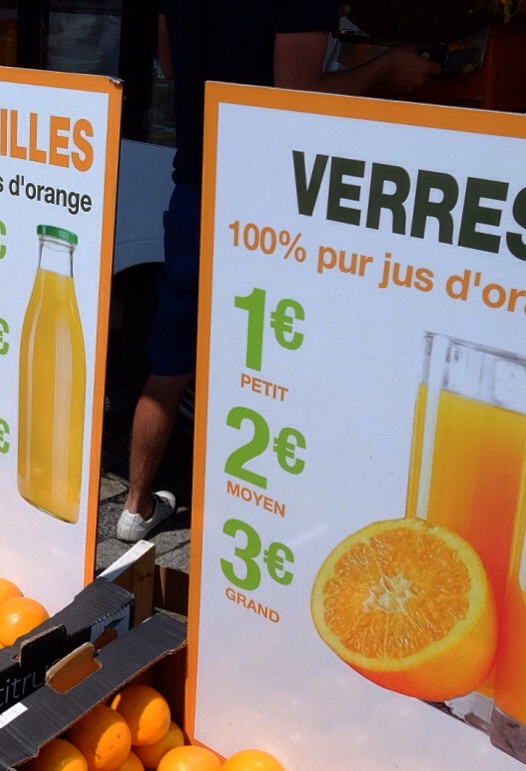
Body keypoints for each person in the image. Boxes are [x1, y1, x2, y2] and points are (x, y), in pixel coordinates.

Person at [115, 3, 439, 543]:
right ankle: (287, 527)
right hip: (275, 200)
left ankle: (134, 508)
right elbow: (296, 92)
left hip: (197, 189)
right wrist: (385, 70)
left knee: (170, 359)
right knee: (283, 359)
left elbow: (170, 66)